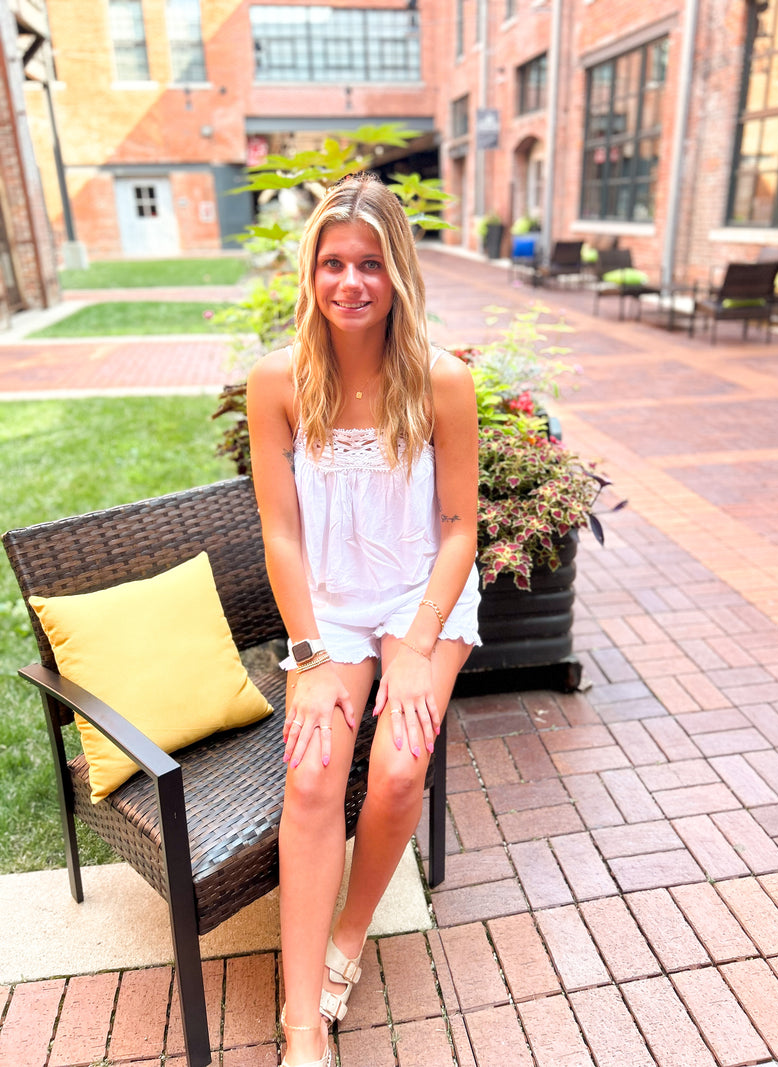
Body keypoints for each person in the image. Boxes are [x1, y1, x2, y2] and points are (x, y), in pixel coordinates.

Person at [247, 171, 481, 1067]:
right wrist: (305, 655)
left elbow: (461, 528)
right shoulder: (280, 381)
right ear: (311, 272)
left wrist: (418, 647)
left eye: (370, 264)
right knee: (311, 779)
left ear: (398, 275)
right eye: (333, 263)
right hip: (334, 608)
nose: (350, 282)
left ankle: (349, 936)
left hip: (423, 595)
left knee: (396, 769)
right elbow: (281, 532)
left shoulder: (439, 380)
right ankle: (301, 1019)